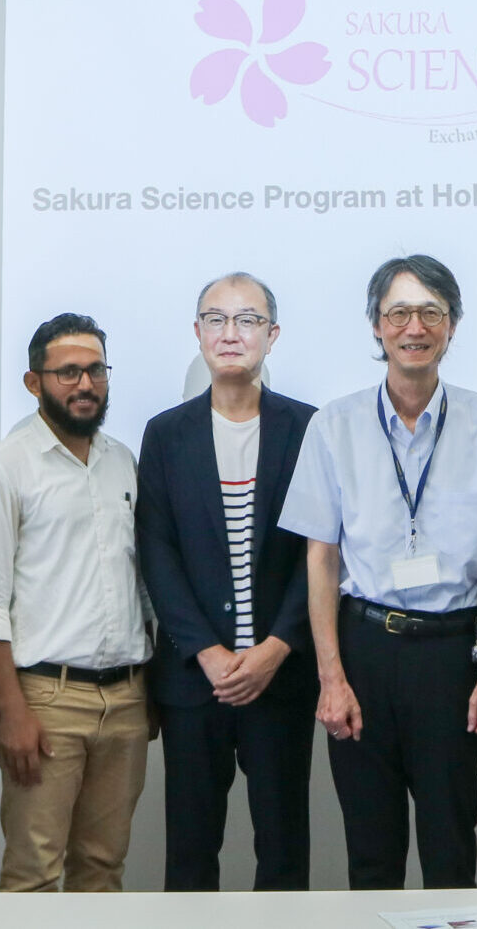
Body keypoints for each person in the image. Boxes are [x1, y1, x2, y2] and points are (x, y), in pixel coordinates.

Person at [281, 254, 477, 889]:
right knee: (370, 851)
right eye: (399, 312)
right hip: (363, 648)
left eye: (431, 312)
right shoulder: (334, 426)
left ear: (452, 326)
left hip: (454, 653)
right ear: (376, 326)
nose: (414, 326)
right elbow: (321, 559)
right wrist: (331, 679)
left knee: (451, 845)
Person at [136, 274, 319, 891]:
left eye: (247, 320)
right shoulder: (166, 434)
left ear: (272, 335)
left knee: (285, 851)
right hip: (195, 683)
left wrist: (276, 647)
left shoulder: (307, 428)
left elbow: (317, 556)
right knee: (190, 853)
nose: (231, 333)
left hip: (282, 676)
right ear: (198, 334)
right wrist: (208, 652)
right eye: (216, 319)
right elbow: (156, 552)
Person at [0, 314, 153, 892]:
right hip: (47, 700)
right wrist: (12, 709)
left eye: (96, 370)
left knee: (103, 868)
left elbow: (140, 583)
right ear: (34, 382)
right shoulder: (3, 467)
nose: (85, 384)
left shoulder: (122, 460)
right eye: (68, 372)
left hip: (125, 698)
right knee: (34, 874)